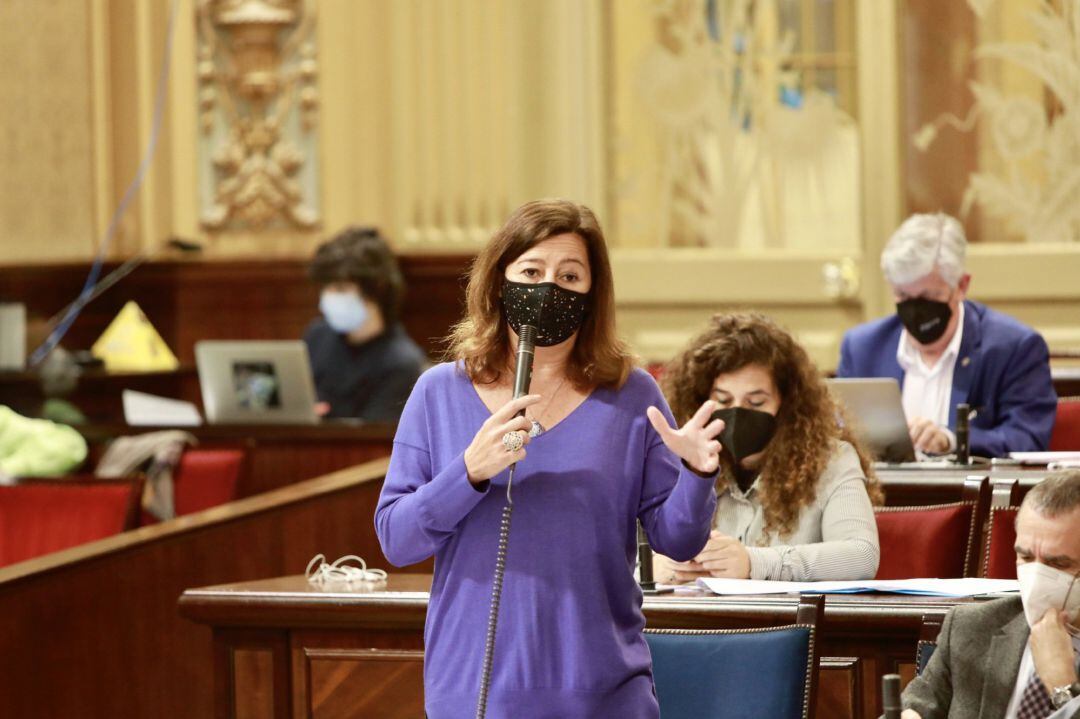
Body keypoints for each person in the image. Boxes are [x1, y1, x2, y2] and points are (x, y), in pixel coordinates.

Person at [375, 199, 722, 718]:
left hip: (601, 688)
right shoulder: (439, 392)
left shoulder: (631, 395)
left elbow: (678, 540)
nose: (548, 289)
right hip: (474, 688)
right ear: (499, 281)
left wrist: (697, 474)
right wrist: (468, 471)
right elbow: (397, 539)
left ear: (590, 294)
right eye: (531, 271)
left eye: (569, 276)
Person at [655, 312, 882, 583]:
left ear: (787, 405)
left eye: (756, 402)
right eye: (723, 401)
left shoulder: (831, 460)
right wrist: (652, 568)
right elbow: (620, 551)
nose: (738, 414)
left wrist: (754, 563)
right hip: (694, 622)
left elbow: (861, 557)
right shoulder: (678, 459)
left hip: (788, 623)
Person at [837, 213, 1056, 458]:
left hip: (965, 494)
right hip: (880, 494)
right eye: (903, 297)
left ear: (961, 286)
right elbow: (838, 437)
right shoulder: (862, 348)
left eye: (928, 297)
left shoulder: (1014, 348)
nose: (915, 310)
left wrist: (952, 440)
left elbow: (1027, 438)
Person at [899, 469, 1080, 719]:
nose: (1037, 577)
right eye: (1026, 557)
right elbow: (910, 708)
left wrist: (1064, 689)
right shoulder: (971, 628)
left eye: (1058, 564)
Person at [303, 226, 427, 422]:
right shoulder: (317, 336)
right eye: (326, 287)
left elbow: (372, 437)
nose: (328, 297)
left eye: (341, 288)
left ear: (377, 288)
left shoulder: (402, 362)